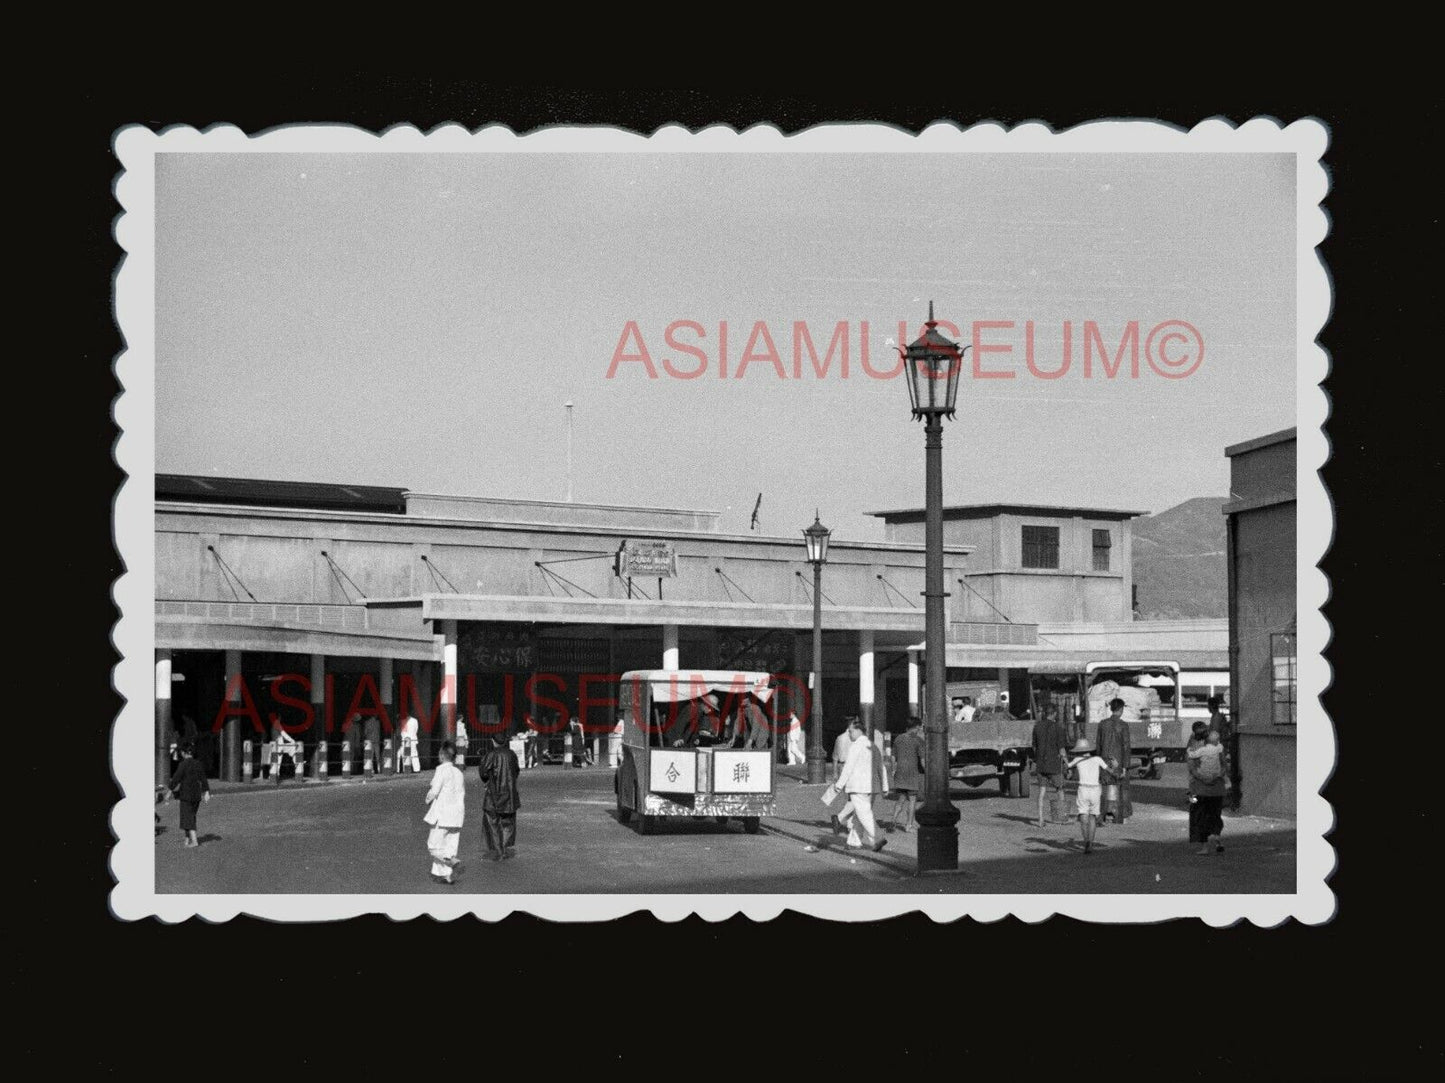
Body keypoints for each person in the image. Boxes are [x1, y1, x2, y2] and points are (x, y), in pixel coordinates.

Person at [835, 719, 887, 853]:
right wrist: (885, 785)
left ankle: (878, 837)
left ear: (858, 730)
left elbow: (848, 767)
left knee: (864, 813)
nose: (849, 734)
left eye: (851, 731)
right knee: (859, 814)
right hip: (873, 786)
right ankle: (854, 841)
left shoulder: (856, 746)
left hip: (858, 786)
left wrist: (839, 785)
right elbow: (881, 767)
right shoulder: (873, 745)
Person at [423, 740, 465, 885]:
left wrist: (427, 799)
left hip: (442, 815)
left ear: (442, 755)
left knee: (433, 846)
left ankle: (452, 862)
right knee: (449, 846)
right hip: (457, 815)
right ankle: (447, 875)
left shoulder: (441, 770)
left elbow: (434, 791)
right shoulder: (459, 772)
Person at [1065, 737, 1113, 855]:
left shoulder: (1077, 759)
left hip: (1083, 789)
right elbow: (1111, 771)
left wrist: (1063, 757)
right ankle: (1090, 843)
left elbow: (1067, 766)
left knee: (1083, 816)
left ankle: (1086, 839)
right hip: (1095, 790)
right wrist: (1115, 765)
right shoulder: (1097, 759)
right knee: (1093, 816)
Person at [477, 733, 521, 861]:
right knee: (508, 823)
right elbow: (516, 771)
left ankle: (499, 850)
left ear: (493, 741)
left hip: (494, 794)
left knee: (492, 823)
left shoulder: (491, 755)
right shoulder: (512, 754)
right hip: (510, 795)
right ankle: (504, 847)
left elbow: (483, 772)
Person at [1188, 721, 1228, 855]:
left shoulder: (1194, 748)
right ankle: (1217, 837)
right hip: (1218, 789)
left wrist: (1203, 778)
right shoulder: (1218, 747)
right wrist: (1216, 776)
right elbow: (1224, 767)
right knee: (1215, 814)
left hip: (1198, 789)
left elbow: (1192, 769)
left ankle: (1204, 847)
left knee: (1199, 815)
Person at [1096, 697, 1134, 824]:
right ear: (1121, 709)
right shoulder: (1123, 725)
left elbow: (1098, 745)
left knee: (1104, 789)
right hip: (1119, 761)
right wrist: (1125, 766)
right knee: (1123, 788)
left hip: (1105, 760)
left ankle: (1103, 815)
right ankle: (1122, 816)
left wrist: (1100, 762)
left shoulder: (1102, 724)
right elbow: (1126, 746)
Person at [1031, 705, 1069, 827]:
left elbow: (1034, 746)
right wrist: (1067, 764)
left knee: (1041, 792)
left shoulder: (1037, 727)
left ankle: (1040, 819)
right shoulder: (1059, 728)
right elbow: (1062, 749)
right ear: (1054, 714)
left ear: (1045, 714)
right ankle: (1061, 817)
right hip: (1054, 764)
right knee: (1060, 789)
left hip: (1041, 764)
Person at [167, 741, 210, 848]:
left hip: (186, 795)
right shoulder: (198, 763)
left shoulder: (183, 764)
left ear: (183, 753)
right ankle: (187, 839)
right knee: (191, 816)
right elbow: (203, 779)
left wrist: (169, 791)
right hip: (196, 795)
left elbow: (176, 778)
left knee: (187, 818)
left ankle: (194, 841)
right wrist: (207, 792)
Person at [889, 716, 924, 832]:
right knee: (912, 800)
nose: (919, 730)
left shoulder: (898, 738)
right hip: (912, 773)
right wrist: (927, 772)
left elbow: (893, 757)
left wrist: (893, 770)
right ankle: (908, 825)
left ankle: (893, 821)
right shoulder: (918, 740)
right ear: (914, 727)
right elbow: (923, 760)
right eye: (918, 728)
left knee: (901, 798)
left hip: (900, 773)